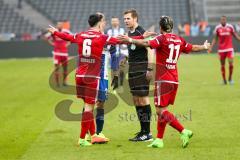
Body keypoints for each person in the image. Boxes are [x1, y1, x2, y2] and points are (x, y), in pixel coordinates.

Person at [47, 13, 152, 147]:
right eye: (103, 21)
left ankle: (94, 134)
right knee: (89, 107)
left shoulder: (80, 35)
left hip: (80, 75)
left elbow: (66, 36)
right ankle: (83, 138)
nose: (105, 23)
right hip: (93, 76)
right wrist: (142, 37)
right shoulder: (102, 37)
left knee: (88, 105)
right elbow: (120, 41)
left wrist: (55, 32)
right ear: (100, 23)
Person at [117, 16, 210, 148]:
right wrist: (204, 46)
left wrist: (130, 39)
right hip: (174, 79)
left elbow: (146, 44)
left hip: (163, 80)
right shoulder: (179, 39)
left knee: (161, 111)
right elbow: (192, 47)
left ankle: (184, 131)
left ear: (160, 28)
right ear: (171, 27)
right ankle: (159, 139)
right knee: (162, 110)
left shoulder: (161, 39)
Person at [123, 9, 154, 142]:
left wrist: (150, 69)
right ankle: (142, 131)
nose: (126, 21)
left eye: (128, 18)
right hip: (132, 68)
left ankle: (148, 133)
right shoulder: (128, 33)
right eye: (124, 19)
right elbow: (131, 51)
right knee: (136, 99)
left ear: (135, 18)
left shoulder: (142, 32)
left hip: (142, 67)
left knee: (144, 99)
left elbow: (151, 50)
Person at [208, 16, 240, 85]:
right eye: (222, 20)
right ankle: (224, 80)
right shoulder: (218, 28)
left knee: (231, 63)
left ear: (226, 20)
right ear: (220, 21)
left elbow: (236, 36)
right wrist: (211, 47)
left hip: (229, 48)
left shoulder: (230, 27)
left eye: (224, 20)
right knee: (222, 65)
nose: (223, 21)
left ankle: (230, 78)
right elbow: (215, 38)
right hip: (221, 50)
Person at [44, 21, 70, 87]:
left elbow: (71, 37)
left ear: (62, 25)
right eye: (58, 24)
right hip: (57, 53)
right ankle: (57, 83)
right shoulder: (54, 31)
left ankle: (64, 82)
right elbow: (45, 37)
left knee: (65, 69)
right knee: (57, 68)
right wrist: (52, 43)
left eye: (61, 24)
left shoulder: (66, 31)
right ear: (57, 25)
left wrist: (67, 44)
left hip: (64, 53)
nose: (60, 25)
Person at [107, 17, 128, 91]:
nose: (114, 22)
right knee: (113, 69)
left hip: (122, 53)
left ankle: (121, 85)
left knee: (122, 69)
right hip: (112, 54)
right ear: (111, 22)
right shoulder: (109, 31)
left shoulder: (122, 30)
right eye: (113, 21)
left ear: (118, 22)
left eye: (116, 21)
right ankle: (114, 84)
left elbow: (126, 40)